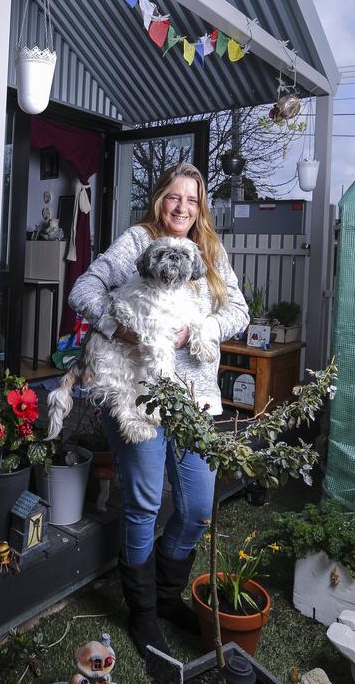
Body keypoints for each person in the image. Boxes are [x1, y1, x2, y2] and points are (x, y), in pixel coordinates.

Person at [68, 162, 249, 657]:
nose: (182, 208)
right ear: (159, 199)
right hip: (138, 393)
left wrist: (202, 332)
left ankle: (167, 597)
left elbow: (239, 311)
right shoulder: (135, 243)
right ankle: (143, 613)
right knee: (144, 505)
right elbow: (82, 289)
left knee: (195, 507)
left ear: (201, 207)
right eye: (174, 197)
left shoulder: (210, 251)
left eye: (192, 201)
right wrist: (123, 329)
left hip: (195, 400)